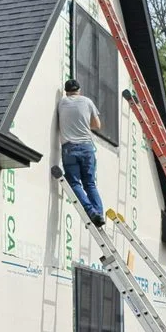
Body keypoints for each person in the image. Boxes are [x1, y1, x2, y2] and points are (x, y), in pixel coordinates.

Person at [57, 78, 105, 227]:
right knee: (90, 184)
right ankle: (99, 214)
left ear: (66, 92)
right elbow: (97, 125)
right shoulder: (87, 101)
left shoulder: (61, 103)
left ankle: (91, 211)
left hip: (69, 149)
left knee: (74, 182)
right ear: (79, 90)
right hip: (86, 147)